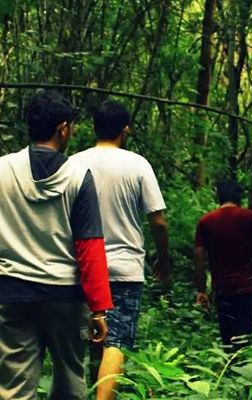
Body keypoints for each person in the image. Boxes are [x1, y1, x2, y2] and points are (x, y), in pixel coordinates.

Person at [0, 91, 113, 400]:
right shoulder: (78, 176)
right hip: (65, 298)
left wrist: (11, 228)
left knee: (13, 388)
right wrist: (99, 308)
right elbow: (89, 247)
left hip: (13, 293)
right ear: (62, 129)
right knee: (70, 379)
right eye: (71, 126)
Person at [71, 100, 170, 400]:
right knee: (116, 342)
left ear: (93, 127)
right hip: (124, 269)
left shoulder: (73, 163)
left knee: (90, 340)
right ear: (125, 130)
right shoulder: (138, 165)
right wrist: (163, 260)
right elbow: (158, 221)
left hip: (82, 267)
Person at [194, 181, 252, 349]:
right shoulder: (251, 218)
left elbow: (198, 255)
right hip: (248, 286)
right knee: (245, 333)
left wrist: (201, 289)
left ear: (218, 197)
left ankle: (229, 362)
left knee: (227, 335)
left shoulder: (206, 221)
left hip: (222, 287)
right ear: (239, 197)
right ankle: (243, 362)